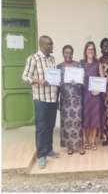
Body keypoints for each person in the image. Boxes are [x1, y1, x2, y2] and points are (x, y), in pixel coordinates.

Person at [22, 35, 59, 168]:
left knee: (50, 126)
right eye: (50, 44)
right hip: (41, 99)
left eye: (52, 44)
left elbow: (55, 76)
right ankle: (41, 156)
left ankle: (48, 149)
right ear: (42, 45)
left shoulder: (52, 59)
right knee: (41, 128)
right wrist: (38, 81)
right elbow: (25, 77)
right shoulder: (33, 59)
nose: (52, 46)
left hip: (52, 98)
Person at [57, 45, 85, 155]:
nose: (68, 54)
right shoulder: (59, 67)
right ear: (63, 53)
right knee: (67, 123)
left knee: (77, 122)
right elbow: (56, 83)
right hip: (65, 99)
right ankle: (70, 147)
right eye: (66, 52)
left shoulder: (78, 65)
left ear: (72, 53)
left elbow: (82, 81)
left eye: (70, 52)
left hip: (76, 98)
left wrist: (78, 82)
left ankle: (79, 145)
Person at [81, 41, 102, 150]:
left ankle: (93, 141)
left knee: (94, 119)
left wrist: (99, 91)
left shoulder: (98, 63)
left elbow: (103, 79)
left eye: (92, 49)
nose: (90, 51)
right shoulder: (81, 63)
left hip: (95, 95)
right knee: (85, 118)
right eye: (89, 49)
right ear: (85, 51)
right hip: (84, 94)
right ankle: (86, 141)